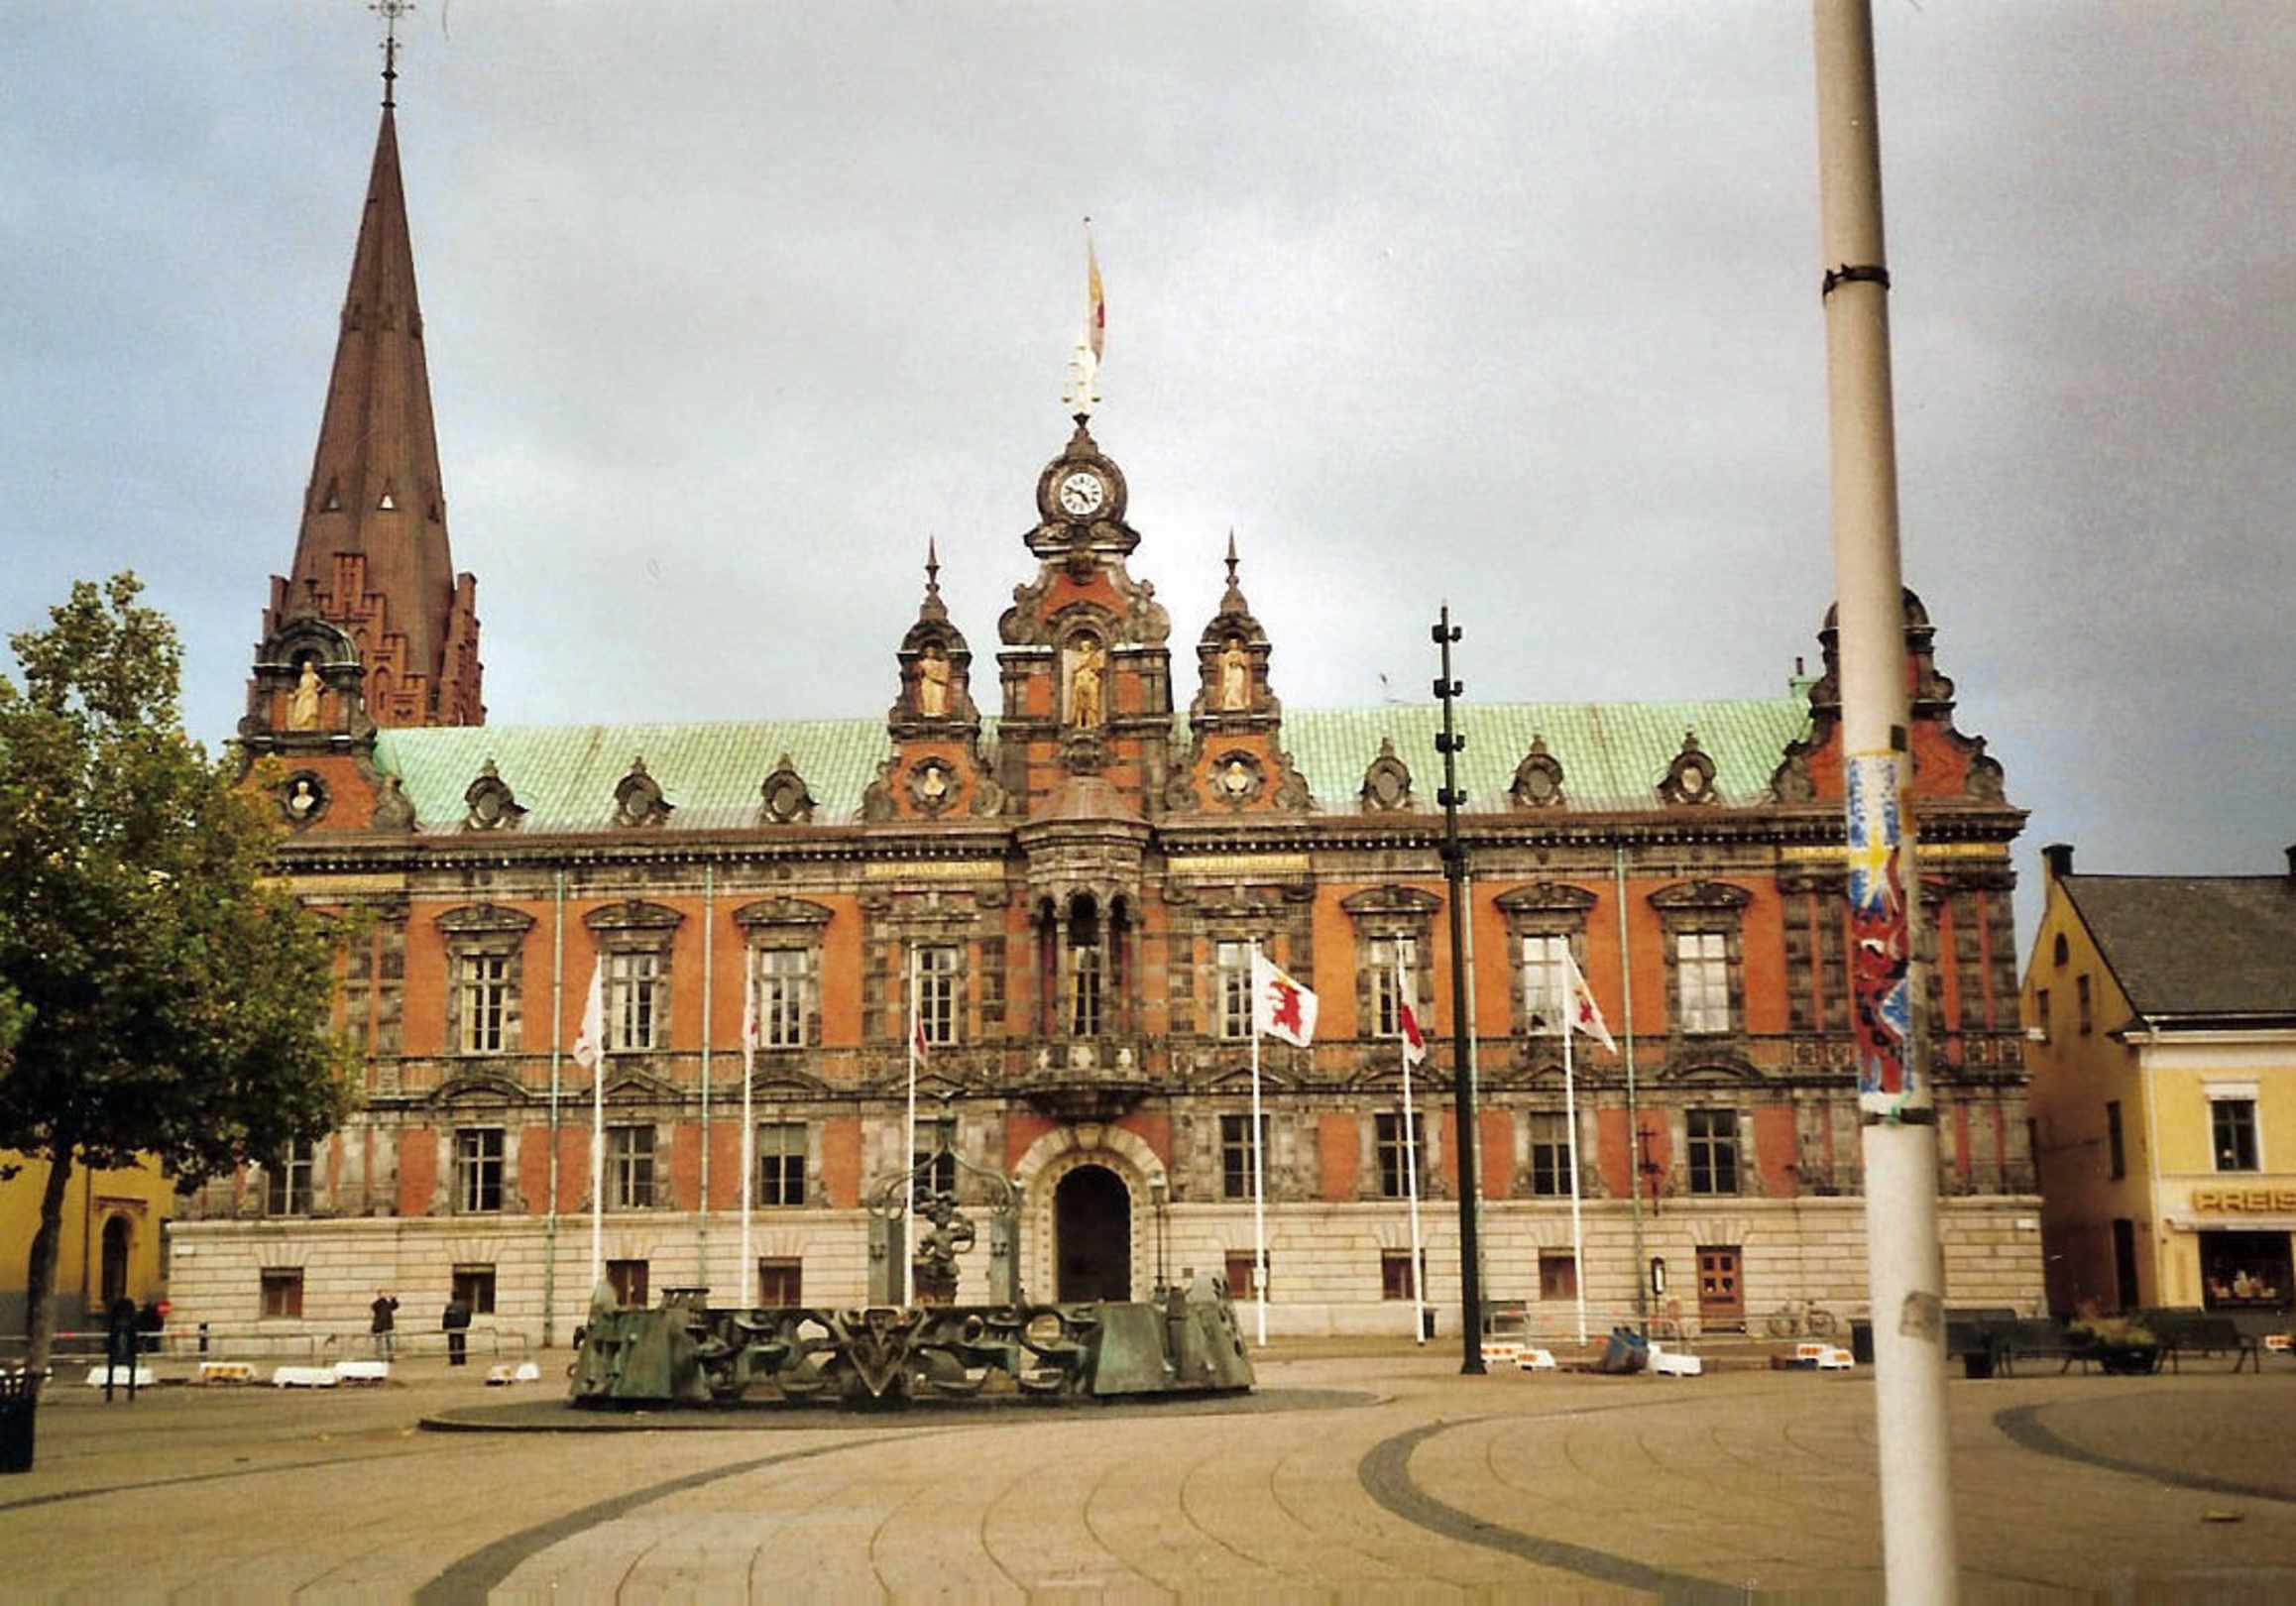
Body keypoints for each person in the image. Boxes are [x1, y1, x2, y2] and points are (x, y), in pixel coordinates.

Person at [442, 1293, 471, 1366]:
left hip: (452, 1327)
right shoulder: (464, 1305)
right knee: (461, 1343)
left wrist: (444, 1326)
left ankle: (453, 1360)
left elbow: (445, 1317)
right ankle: (462, 1360)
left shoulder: (450, 1306)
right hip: (461, 1326)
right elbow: (468, 1315)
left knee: (452, 1344)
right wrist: (466, 1324)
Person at [370, 1290, 399, 1360]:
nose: (383, 1295)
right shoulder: (377, 1304)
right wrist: (380, 1299)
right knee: (379, 1342)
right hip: (379, 1326)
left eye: (384, 1294)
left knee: (388, 1341)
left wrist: (393, 1299)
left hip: (387, 1325)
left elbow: (395, 1306)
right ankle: (380, 1357)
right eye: (381, 1294)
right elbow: (374, 1307)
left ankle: (390, 1356)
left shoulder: (388, 1304)